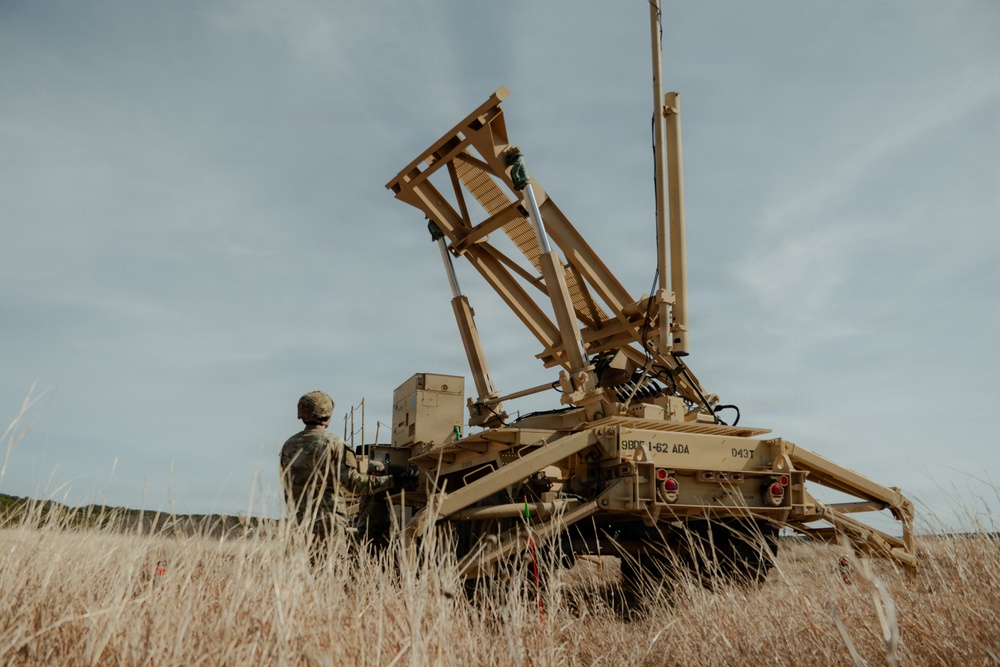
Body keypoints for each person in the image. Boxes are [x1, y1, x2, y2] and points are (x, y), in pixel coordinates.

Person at [279, 391, 391, 544]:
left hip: (299, 523)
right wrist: (391, 480)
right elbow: (354, 484)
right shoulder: (335, 444)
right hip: (328, 524)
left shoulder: (288, 445)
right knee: (332, 567)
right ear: (327, 414)